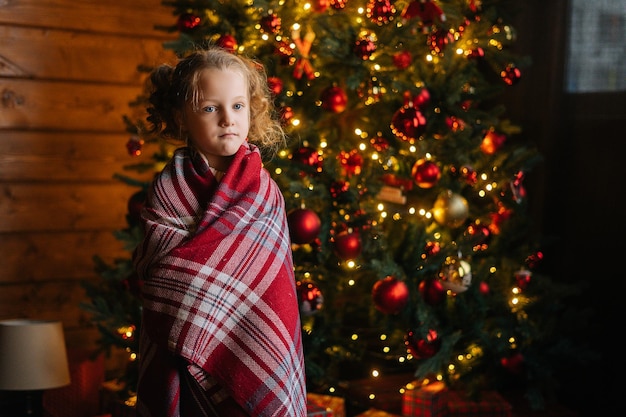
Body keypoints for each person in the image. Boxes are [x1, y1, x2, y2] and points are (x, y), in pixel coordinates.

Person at [132, 46, 307, 417]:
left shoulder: (264, 189)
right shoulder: (169, 188)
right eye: (211, 108)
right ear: (182, 117)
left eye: (238, 106)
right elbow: (157, 278)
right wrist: (200, 293)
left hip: (251, 342)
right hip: (181, 356)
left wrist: (198, 287)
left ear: (252, 109)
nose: (228, 118)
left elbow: (274, 290)